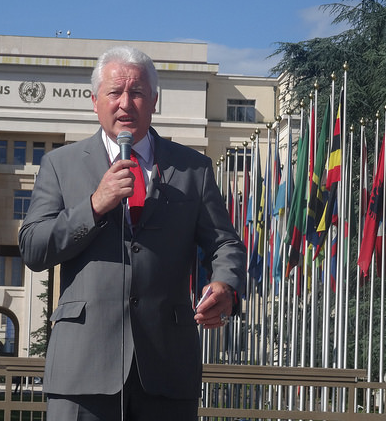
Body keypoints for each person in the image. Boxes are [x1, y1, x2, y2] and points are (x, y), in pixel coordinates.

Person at [19, 45, 246, 420]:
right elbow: (32, 248)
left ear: (154, 100)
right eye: (114, 92)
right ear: (95, 101)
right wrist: (94, 205)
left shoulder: (193, 169)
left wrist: (224, 284)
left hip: (167, 368)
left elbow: (225, 243)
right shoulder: (60, 165)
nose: (126, 102)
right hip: (82, 370)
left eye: (137, 92)